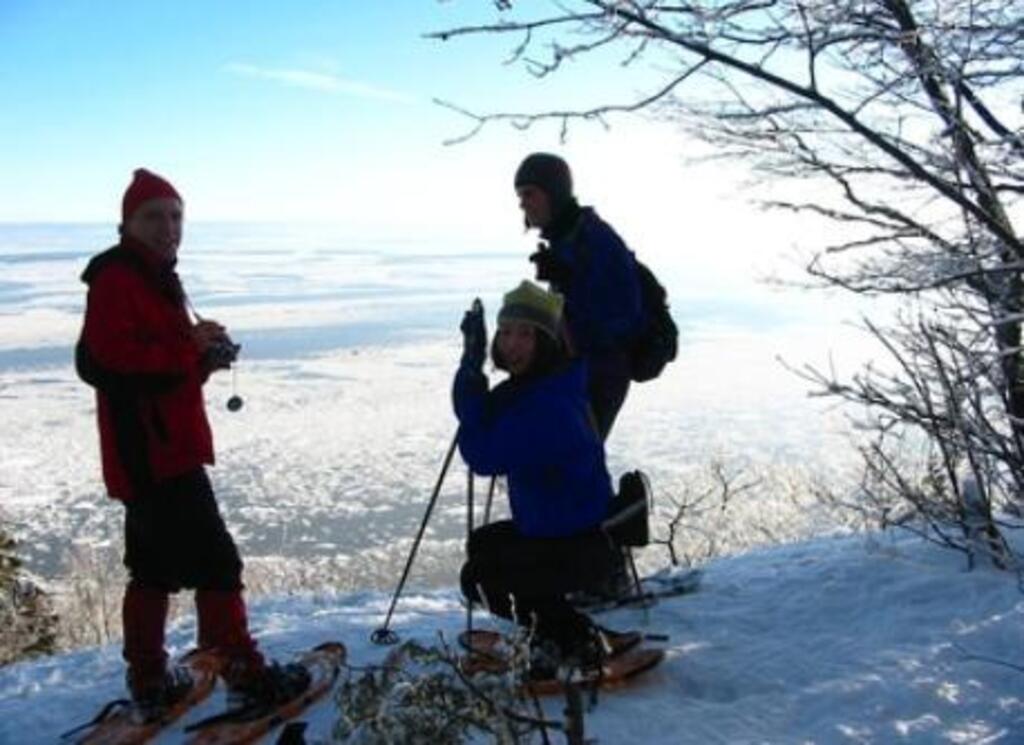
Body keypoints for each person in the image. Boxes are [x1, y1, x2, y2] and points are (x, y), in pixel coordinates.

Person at [75, 169, 309, 714]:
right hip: (156, 454)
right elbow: (115, 361)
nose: (168, 227)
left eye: (176, 216)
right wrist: (190, 346)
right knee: (218, 564)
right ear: (127, 223)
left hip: (155, 449)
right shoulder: (117, 278)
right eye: (153, 216)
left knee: (151, 568)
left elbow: (162, 374)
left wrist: (203, 358)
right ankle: (244, 673)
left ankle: (150, 681)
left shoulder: (156, 277)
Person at [453, 281, 623, 676]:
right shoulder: (538, 384)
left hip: (577, 542)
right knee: (484, 544)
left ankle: (568, 643)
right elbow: (479, 414)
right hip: (561, 529)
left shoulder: (548, 404)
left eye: (525, 334)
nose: (511, 343)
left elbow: (482, 453)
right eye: (505, 332)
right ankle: (561, 625)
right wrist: (471, 365)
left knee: (480, 577)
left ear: (547, 340)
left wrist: (471, 373)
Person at [514, 152, 644, 441]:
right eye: (520, 196)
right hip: (577, 372)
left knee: (570, 459)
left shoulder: (594, 239)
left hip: (599, 374)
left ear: (553, 192)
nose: (522, 203)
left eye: (529, 194)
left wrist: (569, 280)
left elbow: (623, 317)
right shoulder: (567, 239)